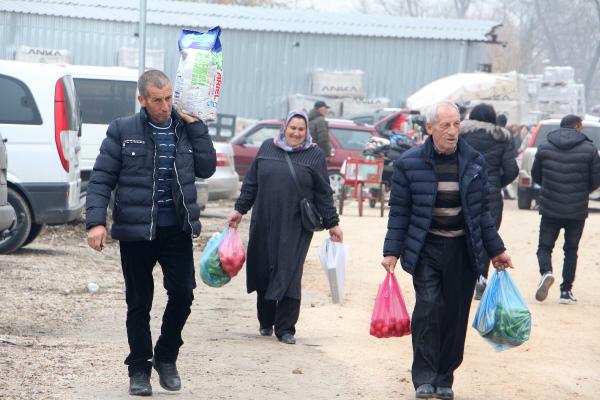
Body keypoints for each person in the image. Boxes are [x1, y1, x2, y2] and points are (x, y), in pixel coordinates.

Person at [85, 70, 217, 396]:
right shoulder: (122, 130)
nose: (165, 106)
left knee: (183, 294)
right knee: (139, 302)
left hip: (176, 229)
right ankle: (139, 369)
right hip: (136, 232)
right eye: (157, 100)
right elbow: (101, 178)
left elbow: (206, 168)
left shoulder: (185, 129)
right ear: (142, 100)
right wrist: (96, 222)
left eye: (169, 98)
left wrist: (197, 126)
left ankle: (166, 357)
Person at [381, 101, 513, 400]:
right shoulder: (409, 164)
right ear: (429, 128)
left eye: (456, 124)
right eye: (445, 125)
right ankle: (424, 377)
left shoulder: (475, 162)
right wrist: (392, 251)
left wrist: (497, 250)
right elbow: (399, 212)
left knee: (454, 314)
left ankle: (444, 377)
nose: (453, 131)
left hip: (462, 250)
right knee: (428, 308)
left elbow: (482, 214)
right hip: (426, 248)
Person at [227, 110, 343, 345]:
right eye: (293, 128)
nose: (296, 133)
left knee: (289, 271)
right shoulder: (267, 148)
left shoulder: (314, 154)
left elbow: (323, 192)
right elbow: (251, 184)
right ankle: (266, 320)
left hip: (296, 224)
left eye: (301, 129)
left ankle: (286, 328)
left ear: (307, 131)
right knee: (263, 267)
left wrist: (333, 223)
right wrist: (239, 210)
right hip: (264, 219)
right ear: (284, 128)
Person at [532, 114, 600, 304]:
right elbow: (596, 179)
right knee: (571, 249)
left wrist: (549, 187)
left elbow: (536, 174)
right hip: (576, 210)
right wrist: (581, 191)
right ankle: (566, 291)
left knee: (544, 246)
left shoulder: (545, 146)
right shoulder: (589, 149)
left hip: (550, 207)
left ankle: (546, 272)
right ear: (577, 126)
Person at [460, 103, 518, 300]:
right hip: (490, 193)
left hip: (462, 190)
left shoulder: (461, 134)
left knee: (461, 232)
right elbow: (512, 170)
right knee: (486, 235)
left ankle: (461, 278)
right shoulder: (502, 137)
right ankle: (481, 279)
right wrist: (496, 183)